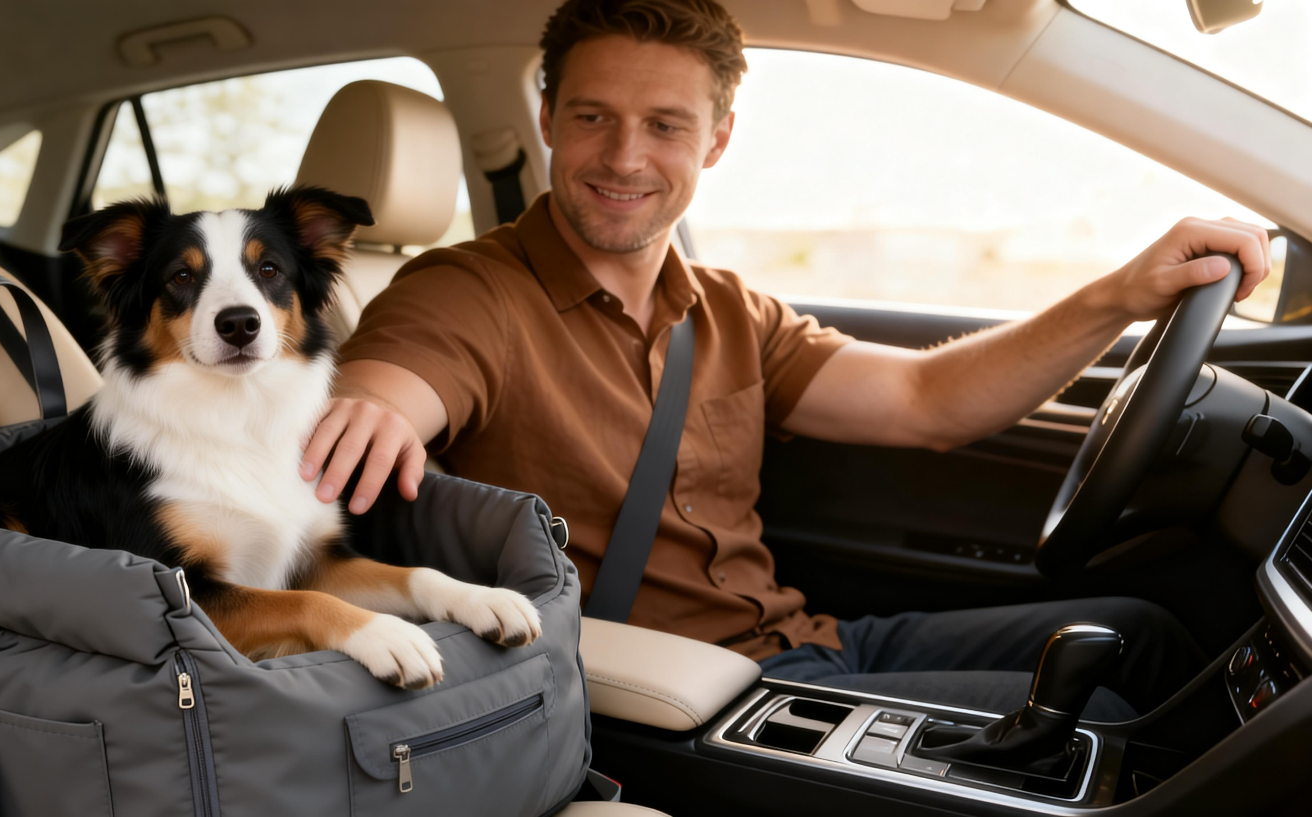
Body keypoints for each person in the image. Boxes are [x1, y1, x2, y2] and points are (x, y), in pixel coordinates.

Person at [303, 0, 1268, 719]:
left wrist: (1119, 295)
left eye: (666, 124)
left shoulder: (725, 308)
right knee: (1094, 715)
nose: (625, 157)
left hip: (806, 641)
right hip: (688, 695)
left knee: (1143, 634)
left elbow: (925, 399)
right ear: (550, 118)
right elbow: (399, 378)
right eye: (594, 116)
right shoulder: (467, 288)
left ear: (718, 139)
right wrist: (373, 412)